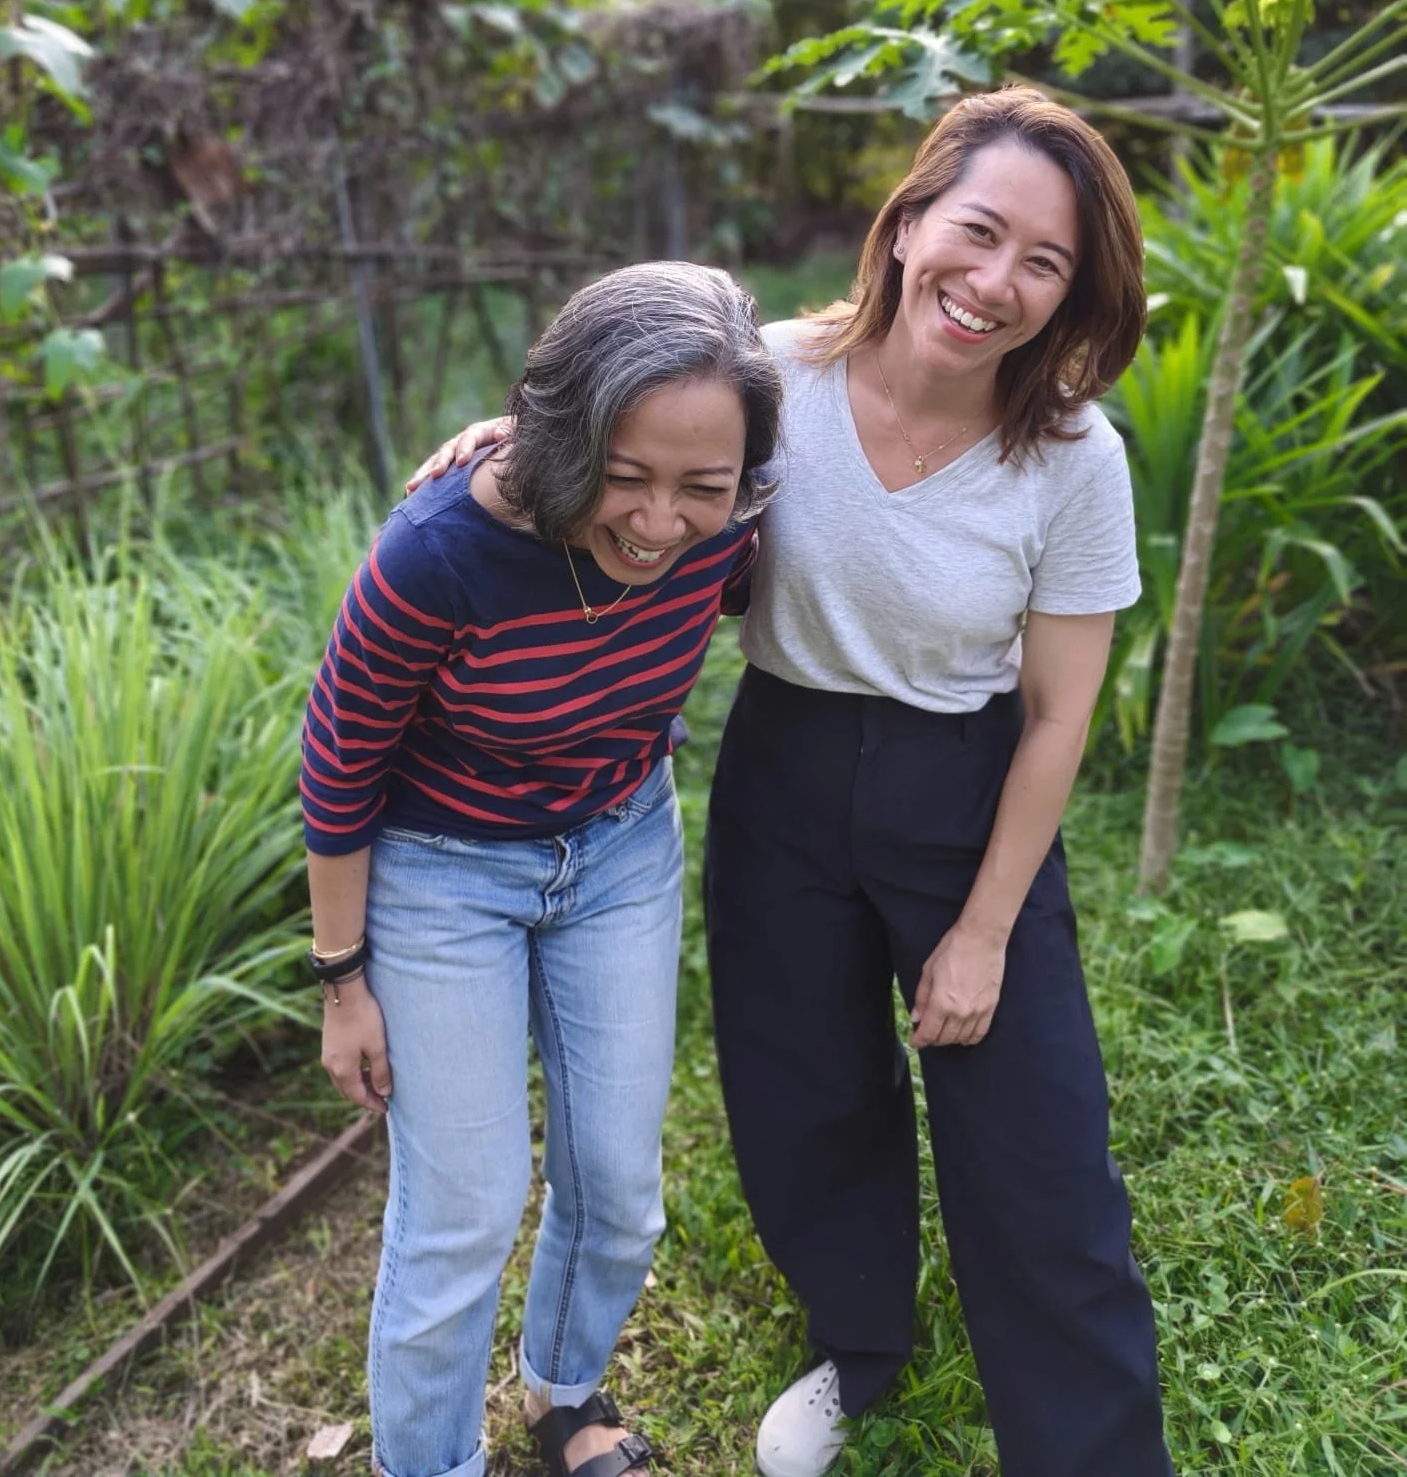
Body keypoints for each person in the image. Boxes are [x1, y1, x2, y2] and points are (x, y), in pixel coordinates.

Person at [413, 87, 1175, 1477]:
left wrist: (988, 930)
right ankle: (862, 1351)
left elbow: (1060, 713)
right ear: (913, 219)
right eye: (980, 231)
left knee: (1040, 1151)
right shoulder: (770, 382)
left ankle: (1093, 1450)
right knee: (805, 1094)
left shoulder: (1073, 456)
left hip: (965, 784)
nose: (995, 282)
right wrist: (503, 445)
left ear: (1072, 291)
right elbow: (625, 454)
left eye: (1044, 263)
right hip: (786, 764)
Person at [301, 261, 782, 1477]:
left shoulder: (738, 517)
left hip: (620, 844)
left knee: (619, 1184)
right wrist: (343, 979)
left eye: (700, 487)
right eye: (623, 476)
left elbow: (856, 353)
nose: (660, 521)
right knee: (464, 1208)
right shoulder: (441, 548)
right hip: (440, 872)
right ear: (560, 438)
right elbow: (341, 754)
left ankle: (564, 1397)